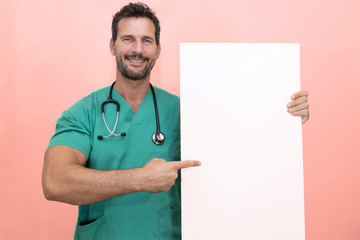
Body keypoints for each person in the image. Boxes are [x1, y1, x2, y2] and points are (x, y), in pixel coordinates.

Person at [42, 2, 310, 240]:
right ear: (113, 45)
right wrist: (140, 179)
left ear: (158, 49)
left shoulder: (186, 111)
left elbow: (238, 148)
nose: (138, 49)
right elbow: (55, 181)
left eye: (147, 40)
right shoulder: (83, 112)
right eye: (127, 39)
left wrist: (282, 119)